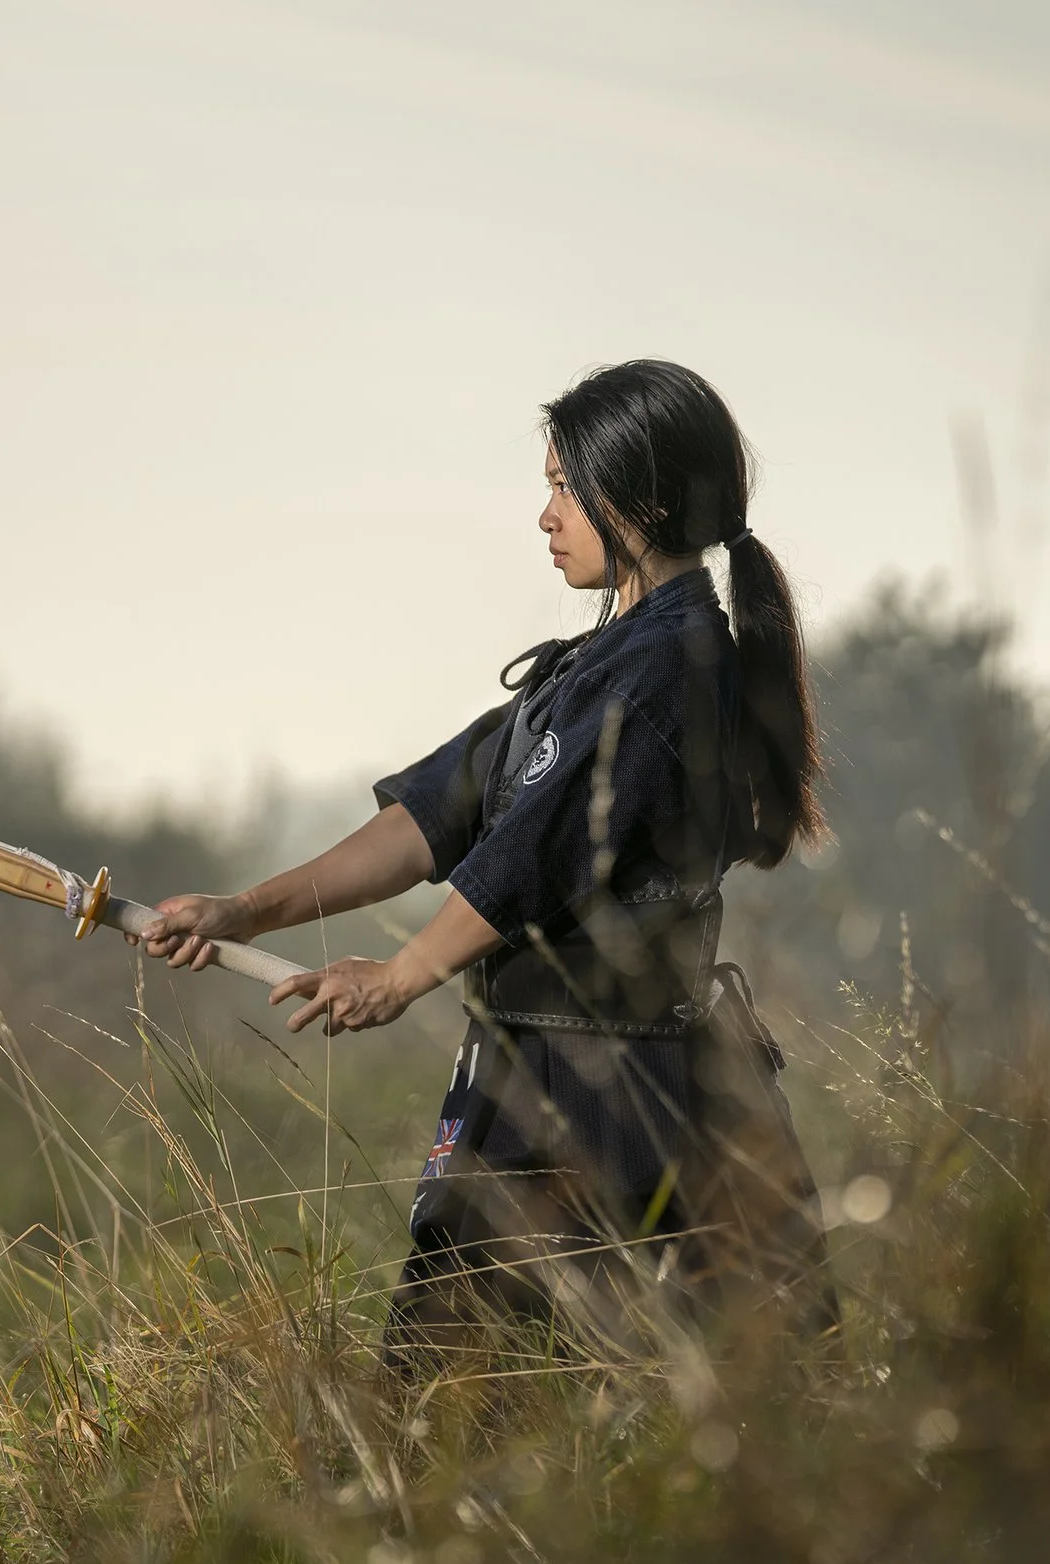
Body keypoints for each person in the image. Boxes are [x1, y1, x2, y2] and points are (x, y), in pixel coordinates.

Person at [137, 359, 831, 1360]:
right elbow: (434, 815)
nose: (544, 515)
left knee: (476, 1406)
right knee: (491, 1408)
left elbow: (531, 851)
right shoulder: (594, 667)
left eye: (561, 485)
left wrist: (404, 972)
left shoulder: (669, 671)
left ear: (632, 497)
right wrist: (245, 910)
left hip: (619, 1096)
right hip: (548, 1081)